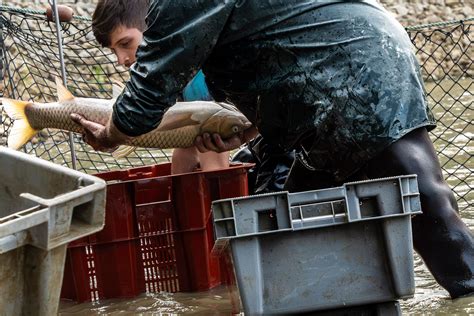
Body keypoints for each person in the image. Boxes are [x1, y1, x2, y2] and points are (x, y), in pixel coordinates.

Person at [73, 0, 473, 298]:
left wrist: (112, 134)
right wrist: (250, 128)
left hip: (357, 65)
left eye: (124, 45)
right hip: (314, 92)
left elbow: (148, 92)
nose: (123, 59)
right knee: (288, 227)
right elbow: (272, 43)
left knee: (427, 208)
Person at [90, 0, 229, 174]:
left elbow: (216, 168)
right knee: (184, 150)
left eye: (125, 44)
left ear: (152, 25)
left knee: (210, 145)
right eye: (114, 50)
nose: (120, 60)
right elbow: (185, 149)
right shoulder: (170, 70)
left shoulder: (195, 77)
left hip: (218, 117)